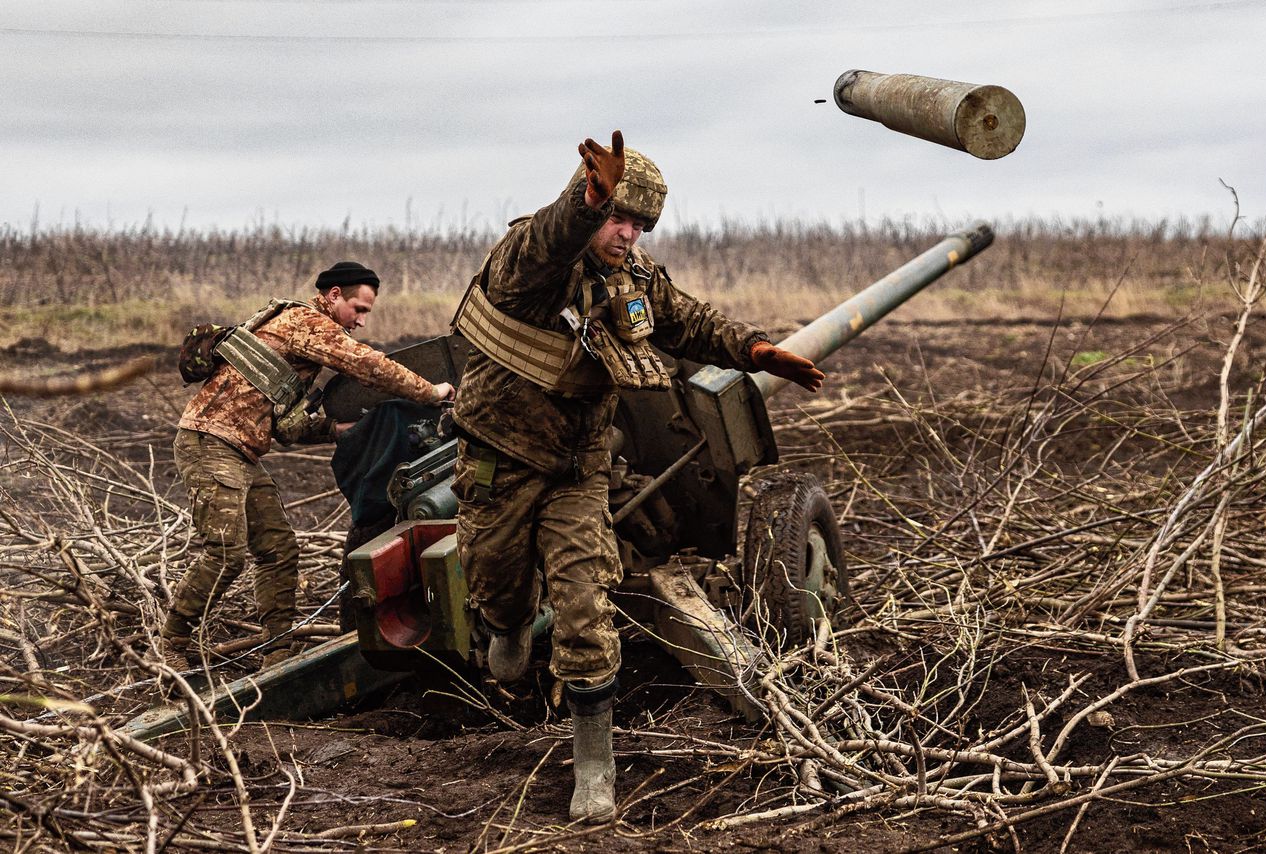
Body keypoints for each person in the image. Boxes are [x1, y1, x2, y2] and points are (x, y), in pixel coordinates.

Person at [448, 131, 823, 823]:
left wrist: (761, 351)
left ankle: (596, 767)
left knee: (586, 608)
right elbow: (551, 240)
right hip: (498, 459)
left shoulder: (637, 278)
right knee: (497, 587)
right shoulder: (533, 261)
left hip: (577, 468)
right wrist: (585, 199)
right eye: (620, 218)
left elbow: (689, 323)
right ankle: (505, 625)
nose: (628, 234)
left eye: (640, 224)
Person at [160, 261, 455, 673]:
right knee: (226, 552)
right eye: (359, 309)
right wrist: (430, 390)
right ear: (333, 296)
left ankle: (278, 651)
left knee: (278, 549)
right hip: (209, 443)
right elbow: (366, 365)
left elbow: (286, 427)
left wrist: (337, 429)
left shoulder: (297, 334)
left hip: (241, 451)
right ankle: (171, 642)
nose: (362, 322)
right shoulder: (305, 321)